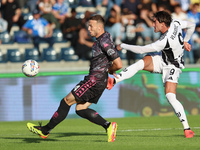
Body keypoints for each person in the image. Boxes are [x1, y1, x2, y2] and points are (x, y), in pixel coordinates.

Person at [26, 14, 123, 142]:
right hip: (100, 80)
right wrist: (107, 71)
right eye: (88, 25)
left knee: (66, 101)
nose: (88, 28)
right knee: (80, 109)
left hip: (94, 80)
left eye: (91, 26)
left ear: (100, 27)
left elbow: (119, 64)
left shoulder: (104, 42)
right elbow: (107, 60)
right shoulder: (104, 37)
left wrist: (109, 70)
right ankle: (108, 126)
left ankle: (45, 130)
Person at [107, 11, 196, 138]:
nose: (152, 25)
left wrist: (123, 45)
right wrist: (186, 41)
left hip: (172, 66)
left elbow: (141, 49)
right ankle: (114, 80)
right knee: (140, 64)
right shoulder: (176, 23)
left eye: (155, 22)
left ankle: (187, 129)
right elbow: (192, 25)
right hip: (162, 60)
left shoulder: (164, 40)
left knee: (170, 96)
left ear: (163, 23)